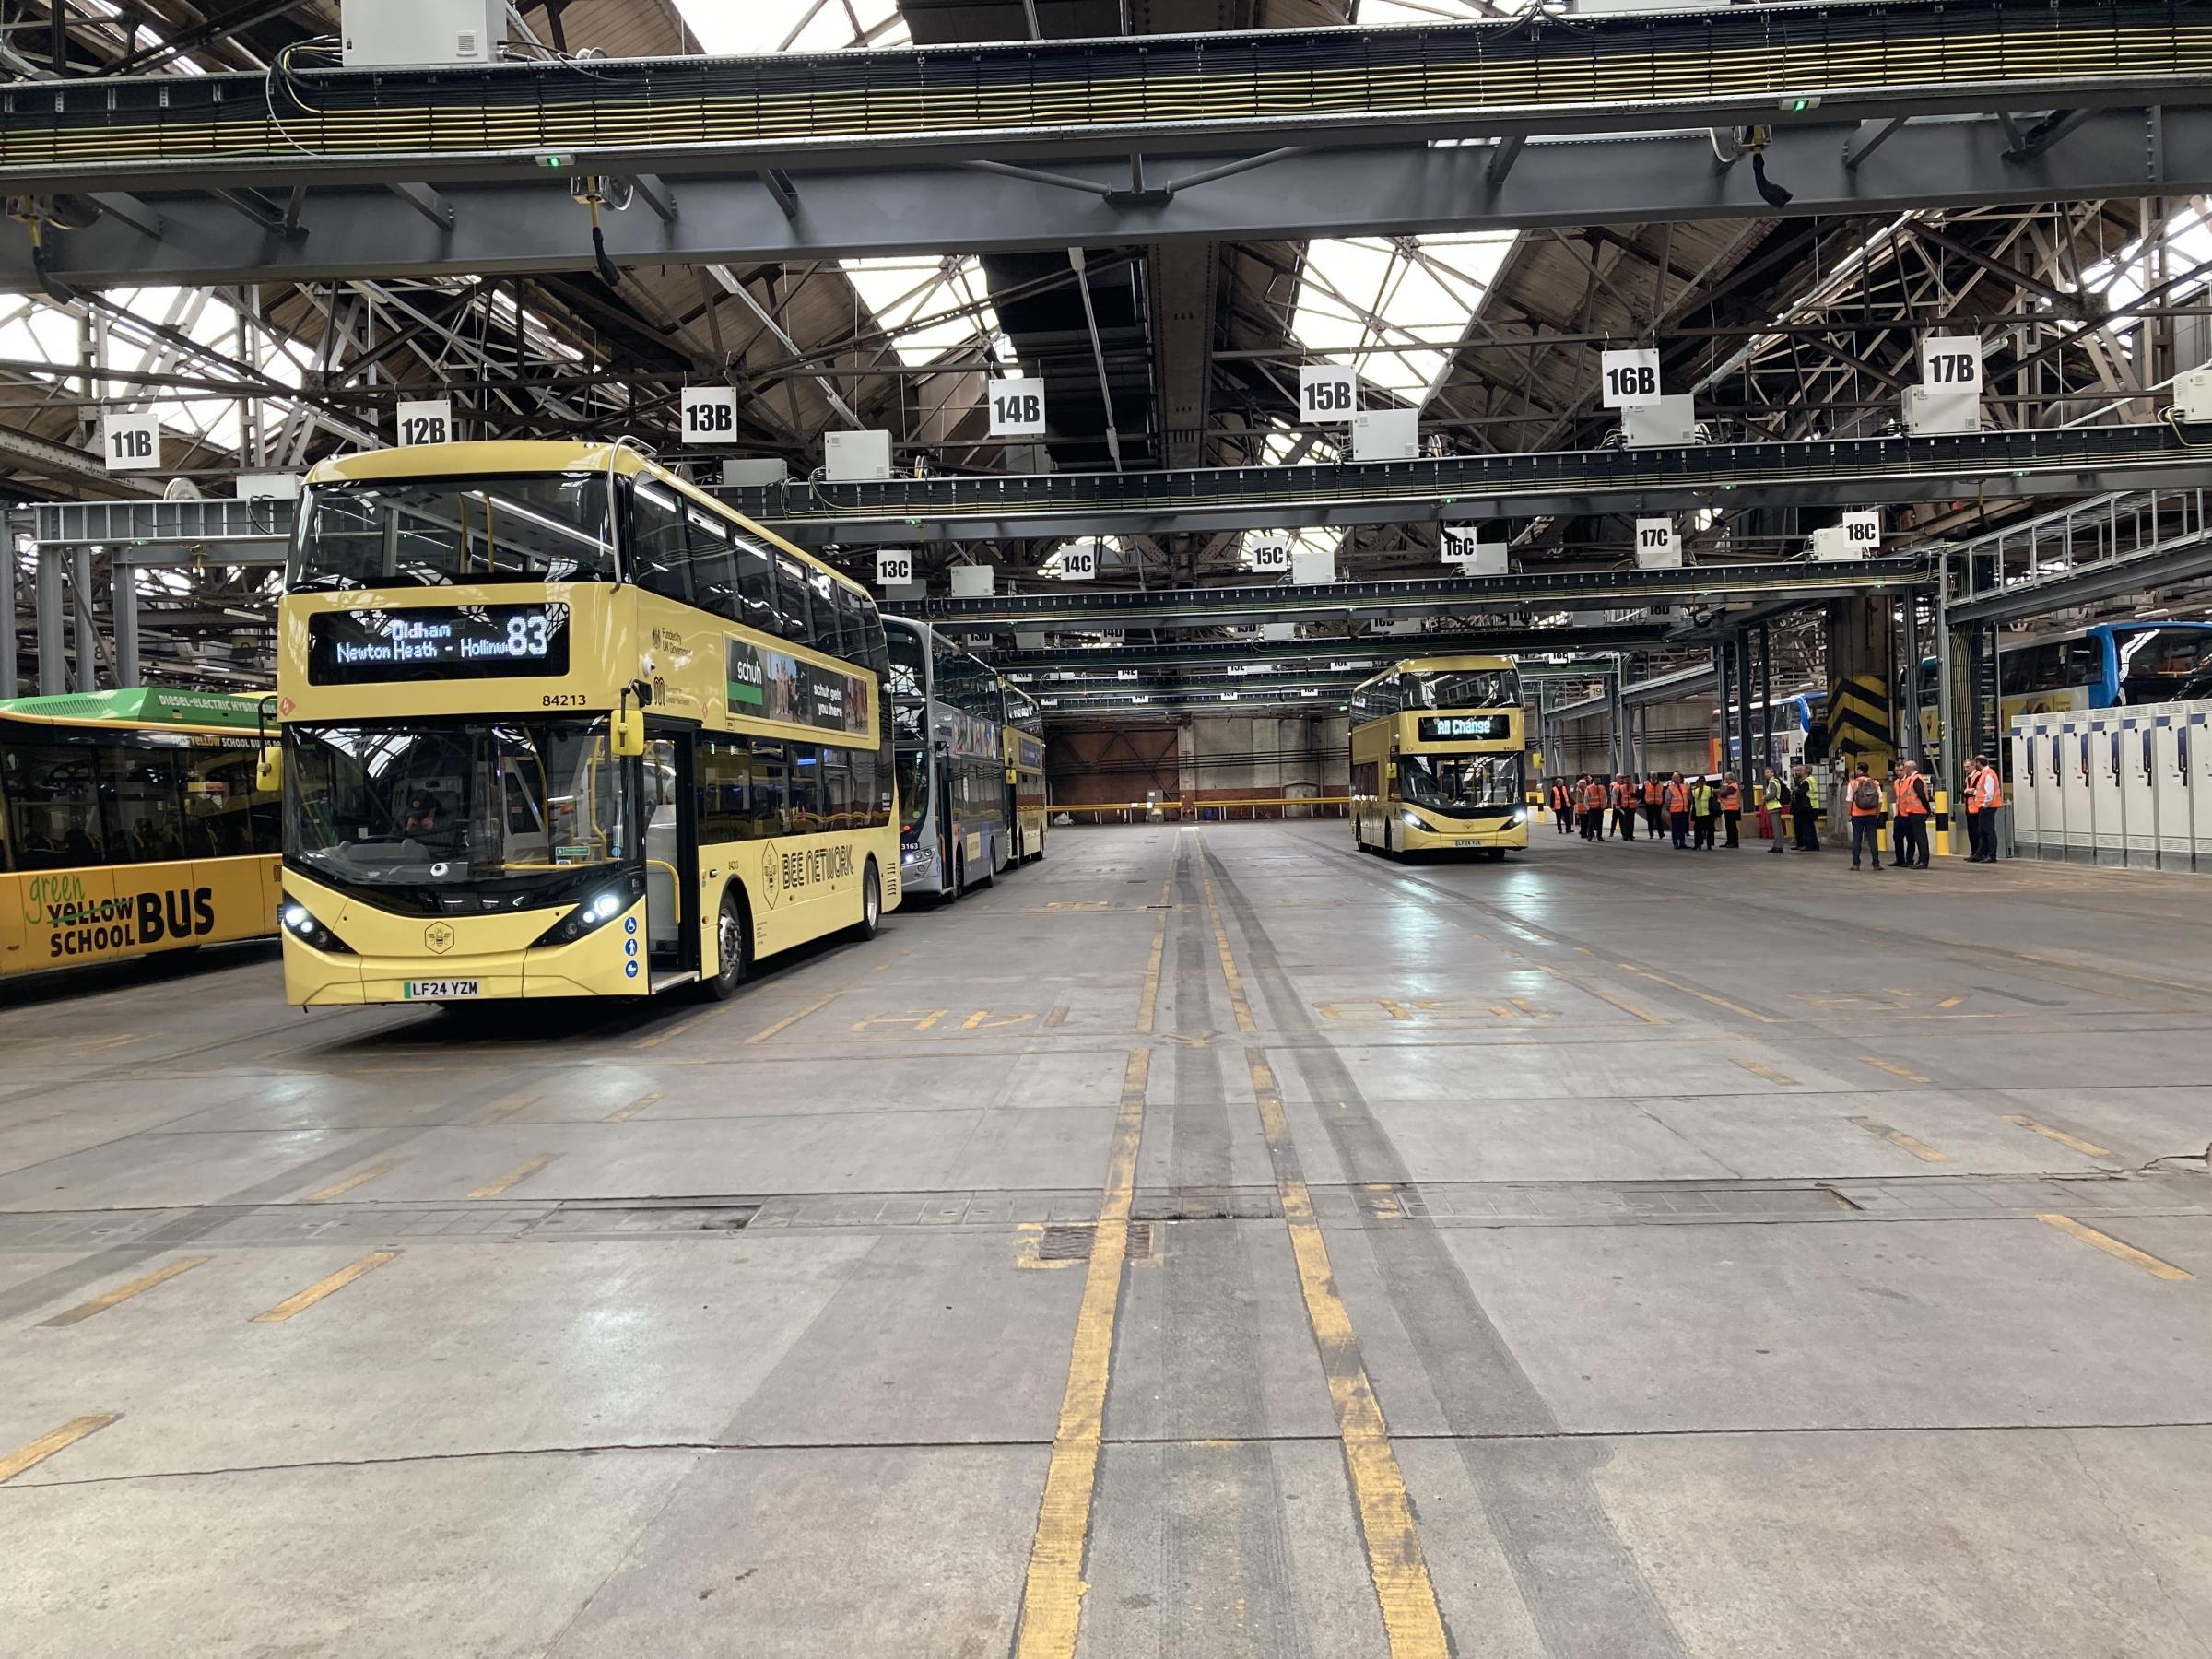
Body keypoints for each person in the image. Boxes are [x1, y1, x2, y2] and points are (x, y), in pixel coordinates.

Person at [1892, 759, 1932, 868]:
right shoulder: (1912, 779)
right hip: (1912, 812)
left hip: (1918, 812)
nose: (1903, 770)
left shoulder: (1916, 779)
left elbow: (1922, 796)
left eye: (1904, 768)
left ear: (1909, 768)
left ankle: (1923, 861)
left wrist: (1928, 810)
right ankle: (1921, 860)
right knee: (1918, 838)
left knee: (1920, 837)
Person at [1846, 762, 1885, 870]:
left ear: (1859, 770)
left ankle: (1856, 864)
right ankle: (1876, 864)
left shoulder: (1853, 783)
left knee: (1857, 839)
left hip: (1857, 815)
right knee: (1873, 839)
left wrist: (1850, 812)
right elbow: (1880, 800)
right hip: (1871, 814)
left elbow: (1849, 800)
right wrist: (1877, 813)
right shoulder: (1875, 783)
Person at [1968, 754, 2003, 861]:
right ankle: (1980, 854)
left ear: (1978, 763)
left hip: (1988, 807)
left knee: (1988, 831)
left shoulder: (1988, 774)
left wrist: (1985, 805)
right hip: (1987, 806)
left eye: (1975, 763)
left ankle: (1992, 855)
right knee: (1982, 831)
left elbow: (1989, 793)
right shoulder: (1985, 773)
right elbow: (1982, 791)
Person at [1791, 766, 1820, 851]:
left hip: (1808, 807)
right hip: (1810, 806)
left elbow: (1801, 792)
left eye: (1799, 771)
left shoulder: (1807, 781)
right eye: (1796, 771)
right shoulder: (1809, 780)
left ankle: (1809, 845)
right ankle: (1812, 845)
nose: (1797, 773)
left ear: (1805, 772)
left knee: (1807, 827)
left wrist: (1795, 790)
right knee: (1809, 827)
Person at [1761, 767, 1788, 854]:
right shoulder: (1776, 781)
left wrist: (1765, 797)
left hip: (1774, 806)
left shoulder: (1772, 782)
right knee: (1778, 828)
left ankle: (1778, 846)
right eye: (1765, 772)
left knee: (1776, 828)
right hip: (1776, 805)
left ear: (1772, 773)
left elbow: (1773, 795)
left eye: (1768, 772)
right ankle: (1778, 845)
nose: (1766, 774)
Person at [1664, 771, 1691, 849]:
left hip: (1684, 810)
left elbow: (1687, 797)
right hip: (1675, 811)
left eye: (1678, 778)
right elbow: (1667, 800)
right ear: (1673, 779)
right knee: (1675, 828)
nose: (1677, 779)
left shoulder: (1684, 786)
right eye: (1675, 778)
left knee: (1682, 827)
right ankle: (1675, 842)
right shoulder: (1670, 788)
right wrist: (1669, 809)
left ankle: (1682, 843)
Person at [1718, 774, 1743, 848]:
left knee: (1731, 827)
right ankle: (1729, 841)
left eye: (1725, 778)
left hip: (1732, 808)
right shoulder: (1731, 786)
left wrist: (1718, 791)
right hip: (1729, 808)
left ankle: (1734, 842)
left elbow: (1723, 794)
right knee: (1729, 826)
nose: (1725, 780)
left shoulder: (1733, 786)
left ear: (1728, 778)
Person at [1613, 773, 1639, 841]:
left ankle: (1630, 835)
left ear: (1630, 780)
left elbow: (1639, 796)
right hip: (1625, 806)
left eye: (1628, 779)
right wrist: (1618, 805)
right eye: (1625, 779)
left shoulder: (1635, 787)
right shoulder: (1621, 787)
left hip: (1632, 806)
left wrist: (1634, 795)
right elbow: (1619, 797)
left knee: (1631, 821)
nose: (1626, 781)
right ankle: (1625, 835)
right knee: (1625, 822)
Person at [1641, 774, 1665, 840]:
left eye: (1655, 775)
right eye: (1652, 775)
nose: (1654, 776)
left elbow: (1663, 793)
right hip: (1649, 804)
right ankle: (1651, 834)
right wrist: (1644, 802)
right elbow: (1643, 793)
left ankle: (1661, 834)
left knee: (1658, 819)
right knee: (1650, 820)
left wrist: (1662, 802)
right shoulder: (1646, 783)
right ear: (1650, 776)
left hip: (1658, 804)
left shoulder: (1660, 784)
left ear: (1657, 776)